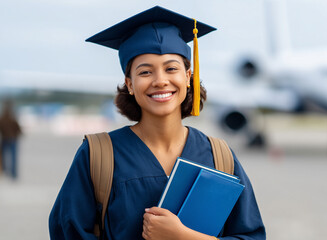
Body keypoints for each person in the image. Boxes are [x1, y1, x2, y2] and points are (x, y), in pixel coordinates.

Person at [49, 6, 265, 240]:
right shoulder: (98, 156)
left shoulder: (219, 156)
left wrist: (182, 236)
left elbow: (250, 235)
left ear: (187, 76)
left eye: (171, 68)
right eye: (145, 72)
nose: (161, 81)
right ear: (129, 84)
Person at [0, 100, 22, 180]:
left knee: (4, 156)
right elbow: (18, 128)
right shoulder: (13, 118)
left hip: (6, 139)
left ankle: (6, 171)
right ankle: (13, 173)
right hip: (12, 139)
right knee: (13, 157)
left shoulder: (2, 118)